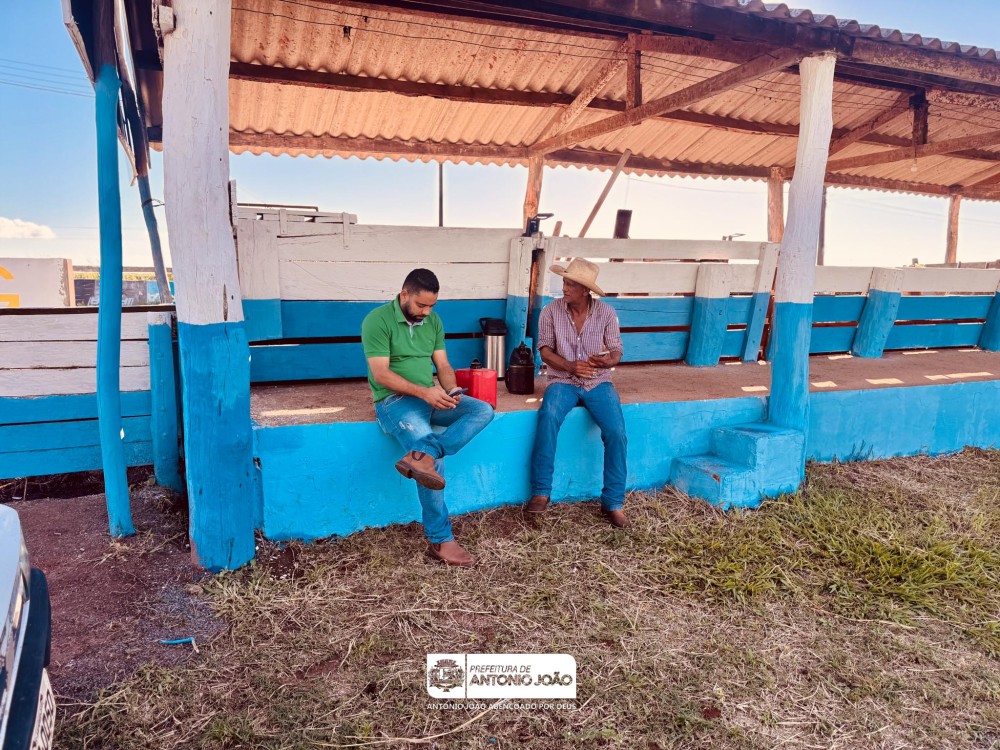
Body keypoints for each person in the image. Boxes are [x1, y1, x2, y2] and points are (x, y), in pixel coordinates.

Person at [361, 268, 494, 566]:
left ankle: (424, 453)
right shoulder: (377, 320)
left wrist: (452, 390)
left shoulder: (432, 321)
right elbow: (381, 375)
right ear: (404, 294)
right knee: (433, 468)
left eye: (432, 305)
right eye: (421, 305)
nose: (427, 312)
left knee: (482, 410)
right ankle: (440, 540)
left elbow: (443, 365)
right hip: (395, 402)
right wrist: (425, 392)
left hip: (431, 396)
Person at [524, 258, 629, 528]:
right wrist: (571, 366)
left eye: (571, 284)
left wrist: (607, 361)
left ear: (585, 289)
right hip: (562, 380)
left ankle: (613, 502)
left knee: (617, 432)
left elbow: (616, 351)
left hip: (598, 381)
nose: (565, 288)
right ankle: (541, 491)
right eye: (564, 282)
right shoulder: (550, 311)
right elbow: (545, 350)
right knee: (548, 417)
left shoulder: (606, 313)